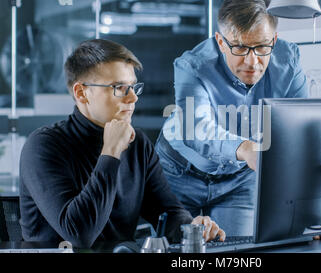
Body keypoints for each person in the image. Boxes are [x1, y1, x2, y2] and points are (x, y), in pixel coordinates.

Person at [19, 39, 225, 249]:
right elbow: (79, 235)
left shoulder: (138, 144)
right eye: (119, 87)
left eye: (133, 87)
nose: (133, 98)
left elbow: (167, 212)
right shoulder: (43, 146)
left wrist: (191, 226)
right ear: (81, 93)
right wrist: (110, 152)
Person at [154, 0, 321, 238]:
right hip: (179, 173)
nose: (252, 61)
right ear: (220, 42)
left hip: (240, 179)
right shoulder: (192, 65)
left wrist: (319, 219)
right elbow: (195, 128)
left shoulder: (288, 61)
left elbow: (302, 130)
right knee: (180, 248)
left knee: (239, 250)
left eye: (261, 47)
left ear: (274, 40)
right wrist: (246, 148)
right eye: (239, 48)